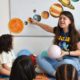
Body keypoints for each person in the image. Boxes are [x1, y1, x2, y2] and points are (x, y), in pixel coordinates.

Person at [30, 11, 80, 78]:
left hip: (72, 61)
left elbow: (79, 52)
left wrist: (66, 53)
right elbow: (47, 28)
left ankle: (48, 68)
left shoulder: (76, 34)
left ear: (70, 21)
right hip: (58, 60)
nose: (61, 20)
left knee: (66, 62)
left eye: (64, 18)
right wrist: (36, 23)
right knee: (39, 57)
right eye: (60, 18)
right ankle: (55, 73)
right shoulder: (58, 31)